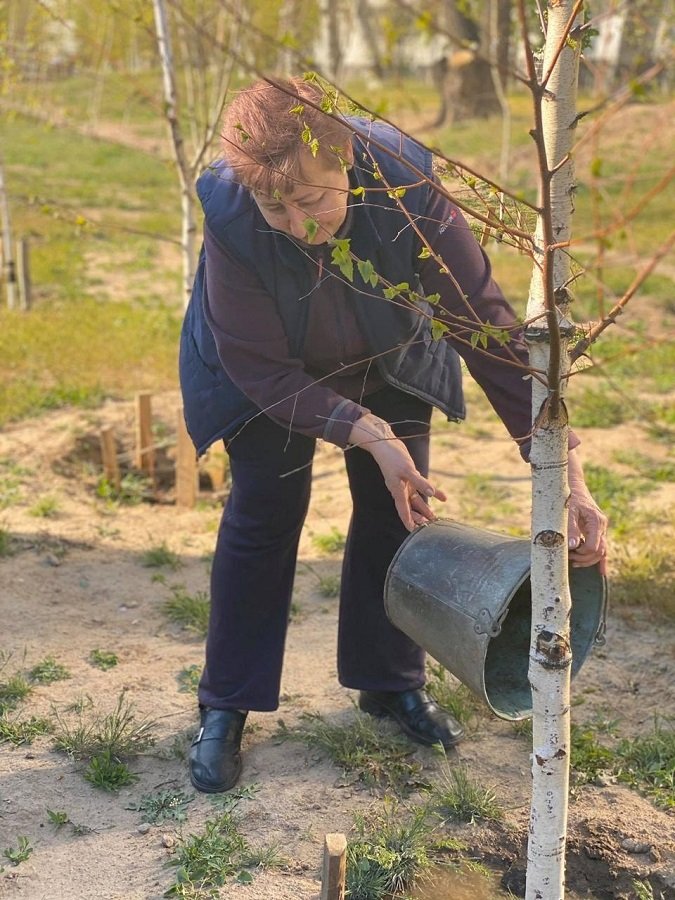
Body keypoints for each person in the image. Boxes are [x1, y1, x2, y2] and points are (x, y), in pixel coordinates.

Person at [179, 77, 608, 794]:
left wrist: (565, 472)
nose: (292, 221)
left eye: (310, 199)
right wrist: (365, 433)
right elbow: (256, 363)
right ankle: (225, 703)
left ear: (345, 165)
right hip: (266, 369)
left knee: (396, 512)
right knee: (262, 512)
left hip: (391, 351)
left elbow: (486, 329)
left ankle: (387, 682)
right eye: (273, 205)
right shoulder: (232, 210)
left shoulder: (408, 188)